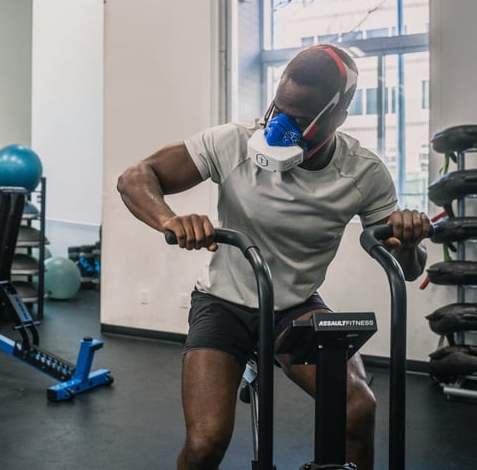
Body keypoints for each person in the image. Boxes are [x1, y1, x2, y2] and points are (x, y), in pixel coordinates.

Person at [117, 44, 430, 470]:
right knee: (206, 443)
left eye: (298, 119)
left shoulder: (363, 172)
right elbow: (135, 178)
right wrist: (169, 219)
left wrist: (408, 242)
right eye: (277, 109)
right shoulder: (232, 143)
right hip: (222, 305)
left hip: (295, 308)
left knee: (357, 409)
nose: (279, 126)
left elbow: (408, 270)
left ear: (337, 116)